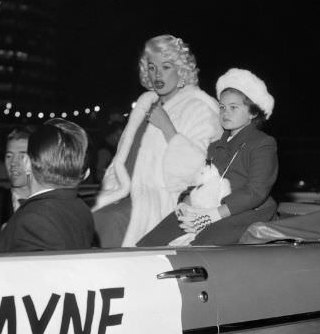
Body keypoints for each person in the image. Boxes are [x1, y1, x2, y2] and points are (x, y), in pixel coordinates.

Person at [93, 34, 221, 247]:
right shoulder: (145, 105)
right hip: (122, 196)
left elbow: (200, 172)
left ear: (181, 70)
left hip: (162, 205)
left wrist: (167, 128)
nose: (157, 74)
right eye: (152, 67)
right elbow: (122, 161)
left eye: (166, 66)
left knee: (105, 223)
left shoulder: (201, 109)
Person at [138, 68, 278, 246]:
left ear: (252, 112)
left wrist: (215, 213)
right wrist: (186, 205)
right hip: (208, 209)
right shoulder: (215, 146)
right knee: (150, 242)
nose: (225, 113)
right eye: (222, 107)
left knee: (199, 246)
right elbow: (202, 180)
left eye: (233, 107)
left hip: (248, 213)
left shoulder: (263, 143)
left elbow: (256, 192)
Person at [0, 119, 94, 252]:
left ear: (27, 163)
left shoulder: (32, 220)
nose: (13, 163)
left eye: (22, 156)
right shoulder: (79, 206)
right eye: (8, 156)